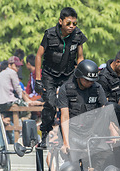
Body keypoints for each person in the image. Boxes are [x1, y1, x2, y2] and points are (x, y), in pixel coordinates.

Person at [35, 7, 87, 147]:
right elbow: (39, 55)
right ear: (60, 21)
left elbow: (80, 57)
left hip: (68, 74)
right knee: (51, 103)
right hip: (49, 74)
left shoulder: (78, 35)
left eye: (74, 24)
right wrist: (38, 79)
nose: (71, 26)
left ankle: (67, 136)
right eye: (68, 23)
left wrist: (79, 77)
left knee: (70, 105)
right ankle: (45, 133)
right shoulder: (50, 34)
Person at [57, 59, 109, 156]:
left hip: (92, 132)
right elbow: (64, 117)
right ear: (79, 76)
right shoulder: (66, 89)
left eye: (92, 81)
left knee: (105, 157)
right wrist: (65, 143)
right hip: (72, 132)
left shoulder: (97, 89)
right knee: (72, 164)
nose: (90, 83)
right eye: (87, 80)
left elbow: (105, 112)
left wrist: (113, 133)